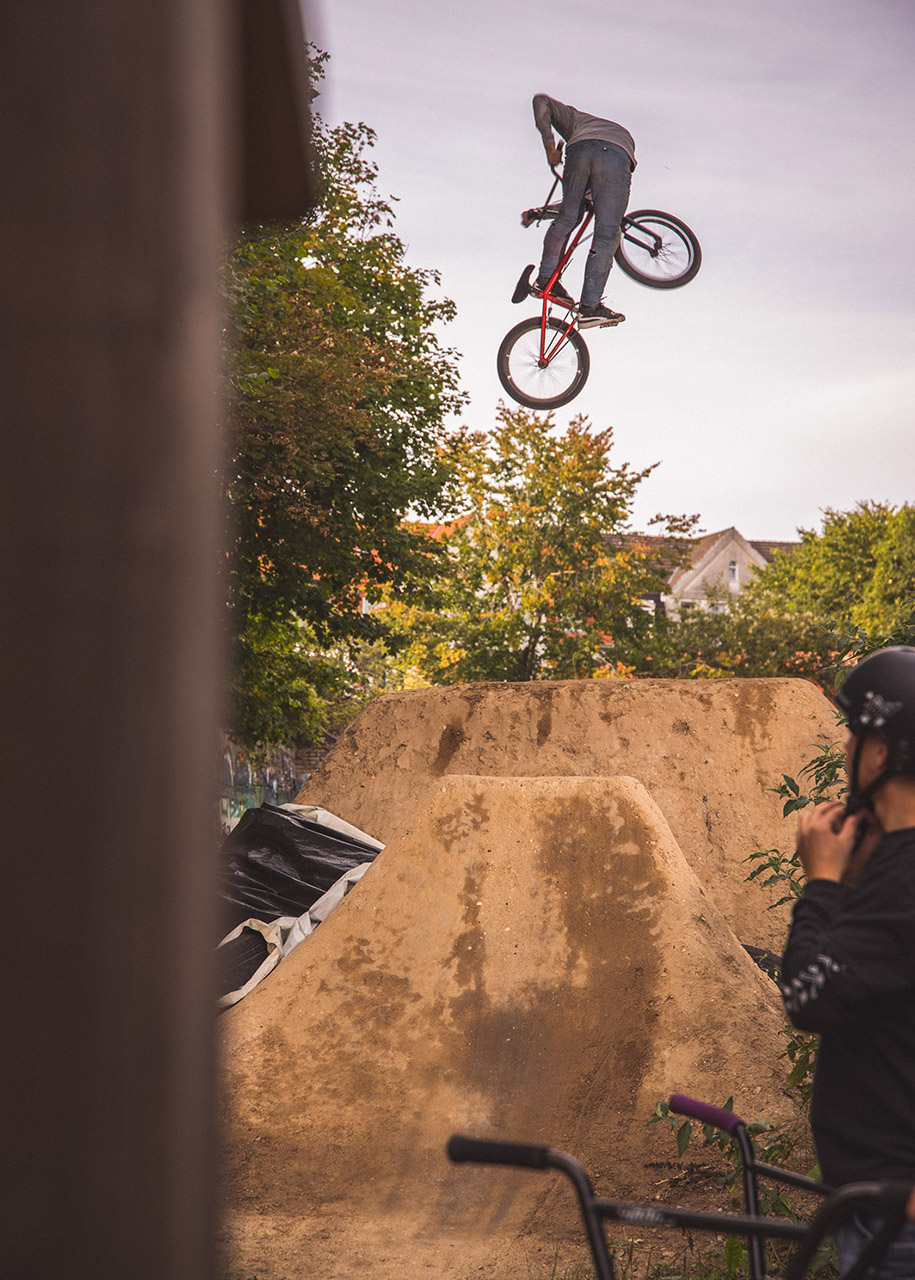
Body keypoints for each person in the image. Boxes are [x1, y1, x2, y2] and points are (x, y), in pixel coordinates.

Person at [780, 646, 915, 1277]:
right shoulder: (895, 871)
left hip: (893, 1215)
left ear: (882, 753)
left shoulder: (901, 881)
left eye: (855, 736)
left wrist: (826, 886)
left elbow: (809, 997)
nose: (847, 753)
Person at [529, 93, 636, 329]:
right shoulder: (582, 120)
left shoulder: (573, 121)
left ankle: (545, 279)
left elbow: (541, 101)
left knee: (569, 216)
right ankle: (589, 308)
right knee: (607, 233)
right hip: (617, 154)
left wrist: (549, 145)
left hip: (579, 152)